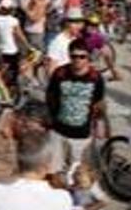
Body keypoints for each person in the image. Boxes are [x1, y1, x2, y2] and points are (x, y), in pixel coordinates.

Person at [45, 39, 106, 171]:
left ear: (88, 57)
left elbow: (99, 102)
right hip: (58, 131)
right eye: (74, 56)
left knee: (76, 173)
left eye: (82, 56)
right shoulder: (60, 73)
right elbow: (50, 96)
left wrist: (100, 123)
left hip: (81, 135)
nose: (77, 59)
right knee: (53, 170)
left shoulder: (96, 77)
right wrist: (50, 118)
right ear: (69, 56)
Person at [46, 7, 86, 75]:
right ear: (67, 23)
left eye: (80, 23)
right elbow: (51, 70)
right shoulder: (57, 42)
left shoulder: (75, 39)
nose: (79, 26)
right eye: (75, 23)